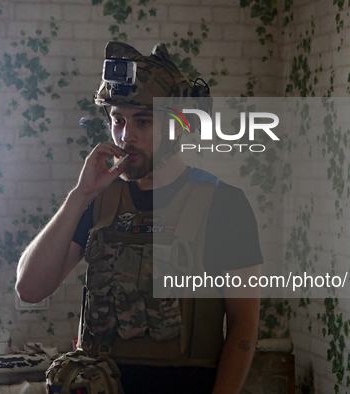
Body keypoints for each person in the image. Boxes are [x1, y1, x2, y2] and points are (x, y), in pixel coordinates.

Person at [16, 41, 264, 394]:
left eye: (143, 121)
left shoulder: (223, 204)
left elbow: (243, 328)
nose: (125, 136)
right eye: (118, 120)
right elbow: (30, 289)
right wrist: (80, 194)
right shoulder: (97, 201)